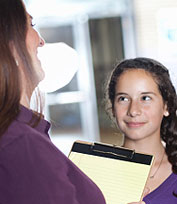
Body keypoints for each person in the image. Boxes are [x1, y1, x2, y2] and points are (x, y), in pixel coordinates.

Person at [0, 0, 106, 203]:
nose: (41, 41)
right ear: (10, 45)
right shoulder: (22, 144)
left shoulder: (23, 135)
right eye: (30, 25)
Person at [105, 57, 177, 204]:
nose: (133, 111)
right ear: (113, 108)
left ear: (166, 106)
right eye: (123, 99)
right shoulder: (94, 174)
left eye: (145, 98)